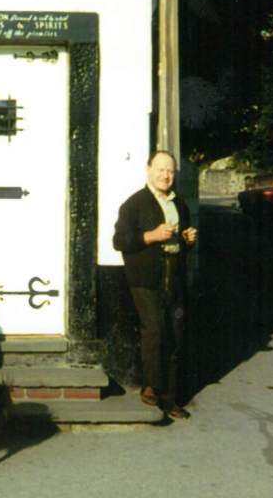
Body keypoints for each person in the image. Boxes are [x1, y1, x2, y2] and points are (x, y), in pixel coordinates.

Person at [113, 150, 197, 420]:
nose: (166, 175)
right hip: (145, 279)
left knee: (174, 332)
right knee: (156, 332)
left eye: (170, 170)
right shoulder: (134, 204)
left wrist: (188, 239)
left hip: (173, 277)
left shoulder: (179, 204)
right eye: (160, 169)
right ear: (148, 170)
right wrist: (150, 236)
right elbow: (120, 241)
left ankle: (157, 388)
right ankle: (161, 394)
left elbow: (180, 241)